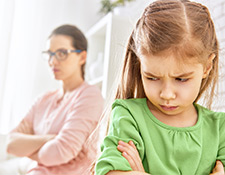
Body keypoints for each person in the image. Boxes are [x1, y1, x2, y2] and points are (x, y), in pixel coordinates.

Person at [94, 0, 225, 174]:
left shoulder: (220, 128)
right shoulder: (128, 115)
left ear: (207, 67)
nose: (167, 94)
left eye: (181, 79)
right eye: (152, 77)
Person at [6, 24, 104, 175]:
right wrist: (49, 139)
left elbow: (59, 152)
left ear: (82, 57)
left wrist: (29, 150)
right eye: (50, 54)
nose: (53, 61)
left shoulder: (90, 96)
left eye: (62, 53)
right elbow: (11, 144)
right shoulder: (44, 99)